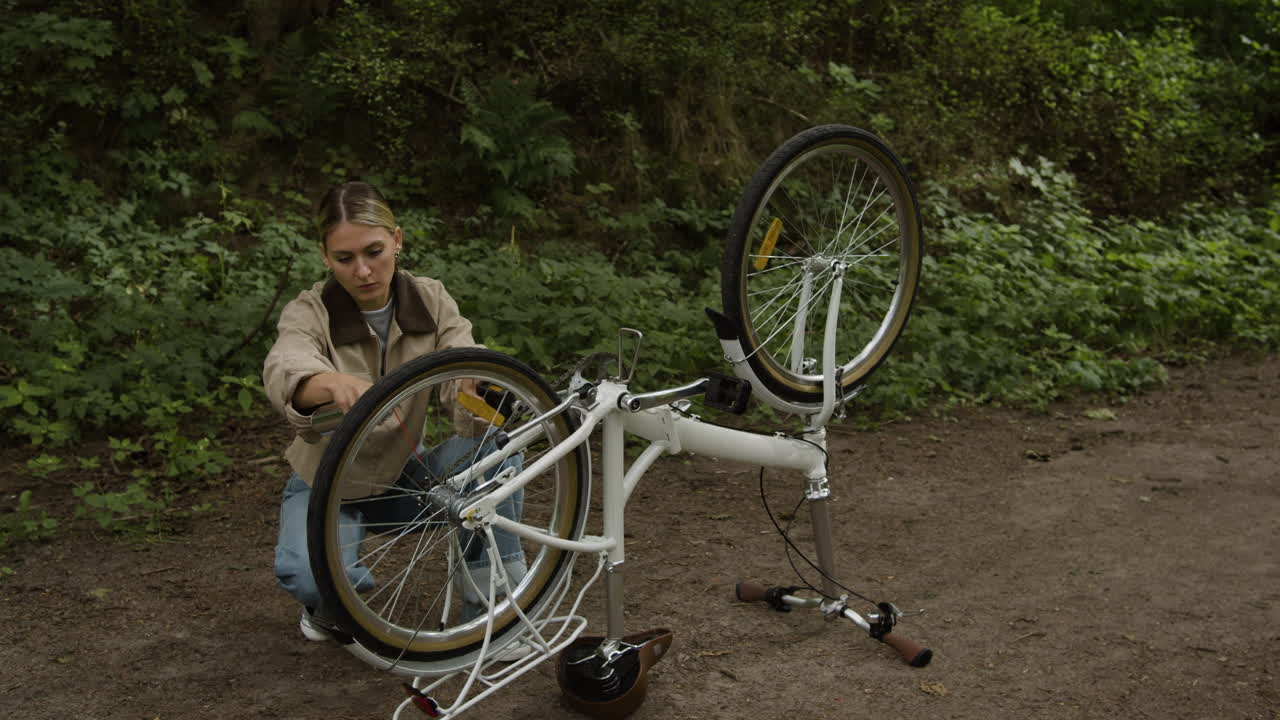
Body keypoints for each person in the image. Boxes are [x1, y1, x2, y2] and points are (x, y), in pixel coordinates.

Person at [262, 181, 526, 642]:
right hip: (326, 485)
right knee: (311, 576)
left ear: (398, 240)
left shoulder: (431, 299)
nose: (363, 270)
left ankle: (492, 618)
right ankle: (330, 607)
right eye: (344, 258)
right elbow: (286, 364)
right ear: (325, 257)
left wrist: (477, 385)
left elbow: (462, 357)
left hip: (406, 479)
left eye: (375, 251)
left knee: (498, 454)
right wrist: (327, 383)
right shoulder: (310, 312)